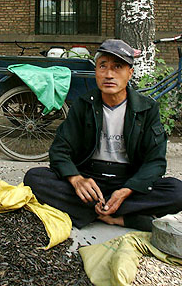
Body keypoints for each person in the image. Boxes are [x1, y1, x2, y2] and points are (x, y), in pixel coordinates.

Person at [24, 39, 182, 231]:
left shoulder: (147, 109)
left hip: (127, 181)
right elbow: (59, 151)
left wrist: (127, 190)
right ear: (96, 72)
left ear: (129, 73)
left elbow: (155, 162)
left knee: (177, 191)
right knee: (34, 178)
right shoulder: (83, 105)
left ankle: (91, 212)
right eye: (103, 66)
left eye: (117, 67)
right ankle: (117, 214)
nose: (109, 75)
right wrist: (76, 179)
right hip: (90, 179)